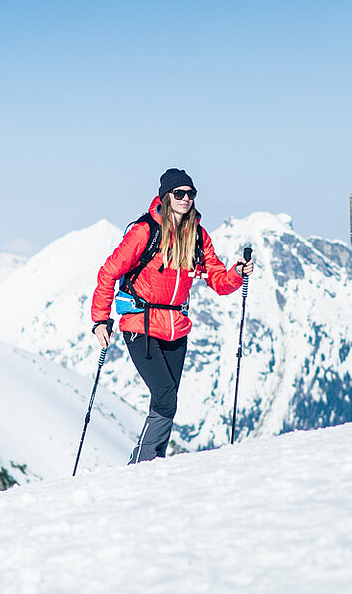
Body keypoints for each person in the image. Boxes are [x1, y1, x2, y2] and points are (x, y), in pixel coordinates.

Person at [90, 168, 253, 464]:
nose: (186, 198)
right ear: (166, 196)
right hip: (141, 323)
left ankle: (154, 461)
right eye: (179, 193)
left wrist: (237, 273)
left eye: (191, 194)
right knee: (166, 398)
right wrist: (100, 319)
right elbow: (109, 271)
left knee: (167, 401)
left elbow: (218, 279)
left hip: (176, 327)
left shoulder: (198, 237)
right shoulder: (146, 231)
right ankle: (142, 463)